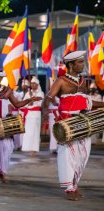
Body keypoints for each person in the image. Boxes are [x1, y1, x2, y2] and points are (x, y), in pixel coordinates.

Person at [42, 51, 104, 201]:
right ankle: (69, 188)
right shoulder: (61, 81)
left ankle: (74, 185)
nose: (83, 64)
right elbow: (48, 98)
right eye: (80, 62)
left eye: (83, 62)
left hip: (83, 122)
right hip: (67, 123)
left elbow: (87, 102)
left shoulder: (83, 82)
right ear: (71, 64)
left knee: (82, 155)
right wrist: (45, 113)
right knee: (67, 156)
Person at [21, 76, 44, 156]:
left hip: (36, 115)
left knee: (35, 132)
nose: (33, 85)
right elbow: (23, 103)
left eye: (34, 83)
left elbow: (40, 103)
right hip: (29, 115)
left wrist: (32, 100)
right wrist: (29, 101)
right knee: (28, 132)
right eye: (32, 83)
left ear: (37, 85)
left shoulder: (40, 93)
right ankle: (28, 148)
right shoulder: (28, 93)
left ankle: (34, 149)